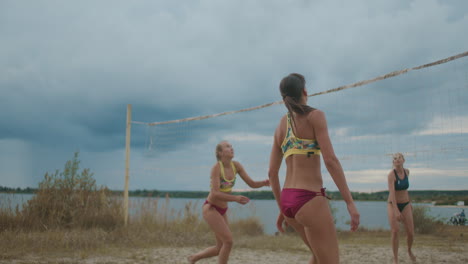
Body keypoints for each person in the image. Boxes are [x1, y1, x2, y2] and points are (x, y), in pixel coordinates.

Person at [268, 73, 360, 264]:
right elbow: (331, 160)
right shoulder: (315, 116)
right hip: (308, 198)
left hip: (288, 199)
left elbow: (272, 173)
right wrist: (349, 203)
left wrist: (282, 209)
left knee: (318, 258)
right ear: (304, 91)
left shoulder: (281, 125)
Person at [188, 140, 270, 264]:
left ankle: (193, 258)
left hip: (222, 210)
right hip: (211, 208)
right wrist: (235, 198)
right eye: (227, 147)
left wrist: (263, 183)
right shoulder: (216, 168)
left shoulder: (236, 165)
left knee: (219, 248)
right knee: (228, 241)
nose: (231, 148)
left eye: (231, 146)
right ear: (220, 153)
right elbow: (215, 193)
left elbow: (252, 183)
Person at [387, 152, 416, 263]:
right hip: (392, 204)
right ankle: (395, 259)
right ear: (393, 162)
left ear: (403, 160)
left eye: (399, 157)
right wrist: (396, 210)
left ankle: (409, 250)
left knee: (411, 233)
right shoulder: (391, 175)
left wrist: (409, 203)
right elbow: (392, 193)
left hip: (406, 204)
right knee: (395, 231)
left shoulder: (407, 172)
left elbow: (405, 190)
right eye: (395, 158)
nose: (397, 159)